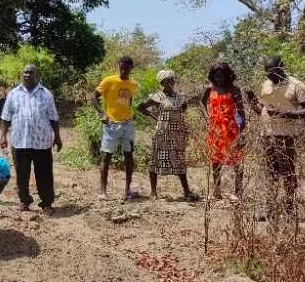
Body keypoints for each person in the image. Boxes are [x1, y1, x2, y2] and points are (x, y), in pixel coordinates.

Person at [247, 56, 305, 219]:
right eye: (267, 73)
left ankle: (290, 210)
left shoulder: (296, 85)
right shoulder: (266, 85)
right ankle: (269, 209)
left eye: (272, 72)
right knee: (270, 173)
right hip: (267, 135)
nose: (269, 76)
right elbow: (263, 109)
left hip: (285, 136)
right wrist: (251, 100)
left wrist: (288, 113)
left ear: (280, 69)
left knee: (288, 173)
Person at [0, 64, 62, 216]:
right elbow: (6, 117)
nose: (27, 75)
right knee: (22, 174)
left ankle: (46, 203)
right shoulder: (13, 94)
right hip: (20, 141)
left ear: (36, 75)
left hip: (42, 142)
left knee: (45, 174)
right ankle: (24, 201)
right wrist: (3, 135)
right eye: (25, 72)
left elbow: (53, 117)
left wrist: (57, 137)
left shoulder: (46, 94)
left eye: (30, 72)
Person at [138, 70, 198, 201]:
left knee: (180, 161)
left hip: (177, 135)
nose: (169, 84)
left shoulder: (180, 97)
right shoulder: (157, 97)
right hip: (162, 134)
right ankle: (153, 192)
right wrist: (156, 118)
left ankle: (187, 191)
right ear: (161, 83)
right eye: (166, 82)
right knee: (155, 160)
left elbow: (183, 109)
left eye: (171, 81)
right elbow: (140, 107)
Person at [92, 56, 138, 200]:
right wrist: (103, 113)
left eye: (126, 67)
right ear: (118, 66)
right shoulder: (109, 80)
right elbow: (93, 97)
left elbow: (128, 102)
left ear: (131, 68)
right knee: (106, 156)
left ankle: (128, 190)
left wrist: (131, 114)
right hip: (111, 124)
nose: (123, 69)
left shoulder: (133, 84)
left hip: (128, 124)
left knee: (129, 156)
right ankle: (103, 191)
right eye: (121, 66)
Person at [200, 62, 245, 202]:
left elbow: (242, 113)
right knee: (215, 160)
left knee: (237, 160)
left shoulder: (234, 90)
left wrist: (241, 133)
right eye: (216, 76)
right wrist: (208, 118)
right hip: (215, 130)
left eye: (221, 76)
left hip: (231, 129)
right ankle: (216, 191)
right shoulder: (210, 89)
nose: (219, 79)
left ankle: (238, 192)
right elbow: (201, 102)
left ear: (227, 75)